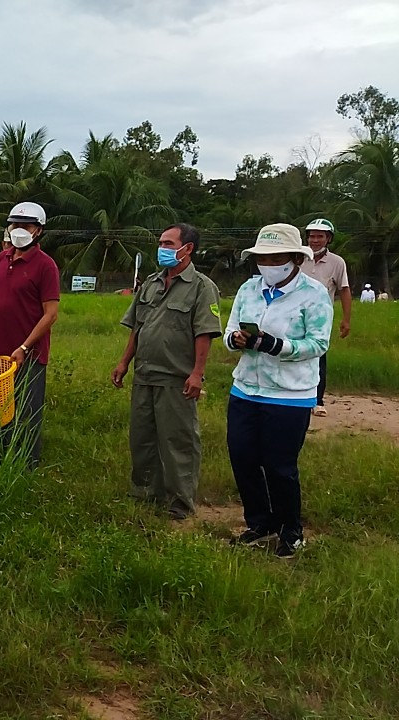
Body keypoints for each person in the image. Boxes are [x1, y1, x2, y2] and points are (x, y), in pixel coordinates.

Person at [224, 223, 332, 559]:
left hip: (289, 395)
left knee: (279, 466)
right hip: (245, 389)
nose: (268, 265)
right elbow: (230, 329)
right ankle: (260, 523)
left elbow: (318, 343)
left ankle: (290, 530)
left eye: (276, 258)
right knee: (242, 458)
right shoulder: (248, 289)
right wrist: (237, 340)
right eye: (262, 258)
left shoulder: (313, 295)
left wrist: (275, 345)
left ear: (294, 259)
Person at [112, 224, 222, 520]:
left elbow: (204, 332)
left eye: (168, 243)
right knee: (142, 437)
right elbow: (138, 325)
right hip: (145, 373)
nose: (162, 248)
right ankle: (145, 490)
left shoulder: (202, 287)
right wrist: (124, 362)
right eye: (160, 242)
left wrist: (197, 373)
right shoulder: (150, 283)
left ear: (187, 249)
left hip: (176, 378)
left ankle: (179, 502)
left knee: (178, 441)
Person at [0, 201, 60, 469]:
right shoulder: (0, 259)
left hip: (28, 355)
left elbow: (50, 314)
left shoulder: (45, 266)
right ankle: (0, 458)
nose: (19, 230)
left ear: (38, 231)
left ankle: (26, 464)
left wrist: (24, 347)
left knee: (26, 409)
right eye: (14, 225)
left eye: (26, 225)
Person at [299, 218, 351, 417]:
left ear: (328, 238)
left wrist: (346, 320)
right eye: (312, 236)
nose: (315, 240)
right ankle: (299, 395)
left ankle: (317, 400)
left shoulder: (337, 262)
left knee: (318, 358)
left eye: (319, 236)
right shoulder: (298, 256)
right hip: (294, 315)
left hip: (320, 318)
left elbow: (344, 290)